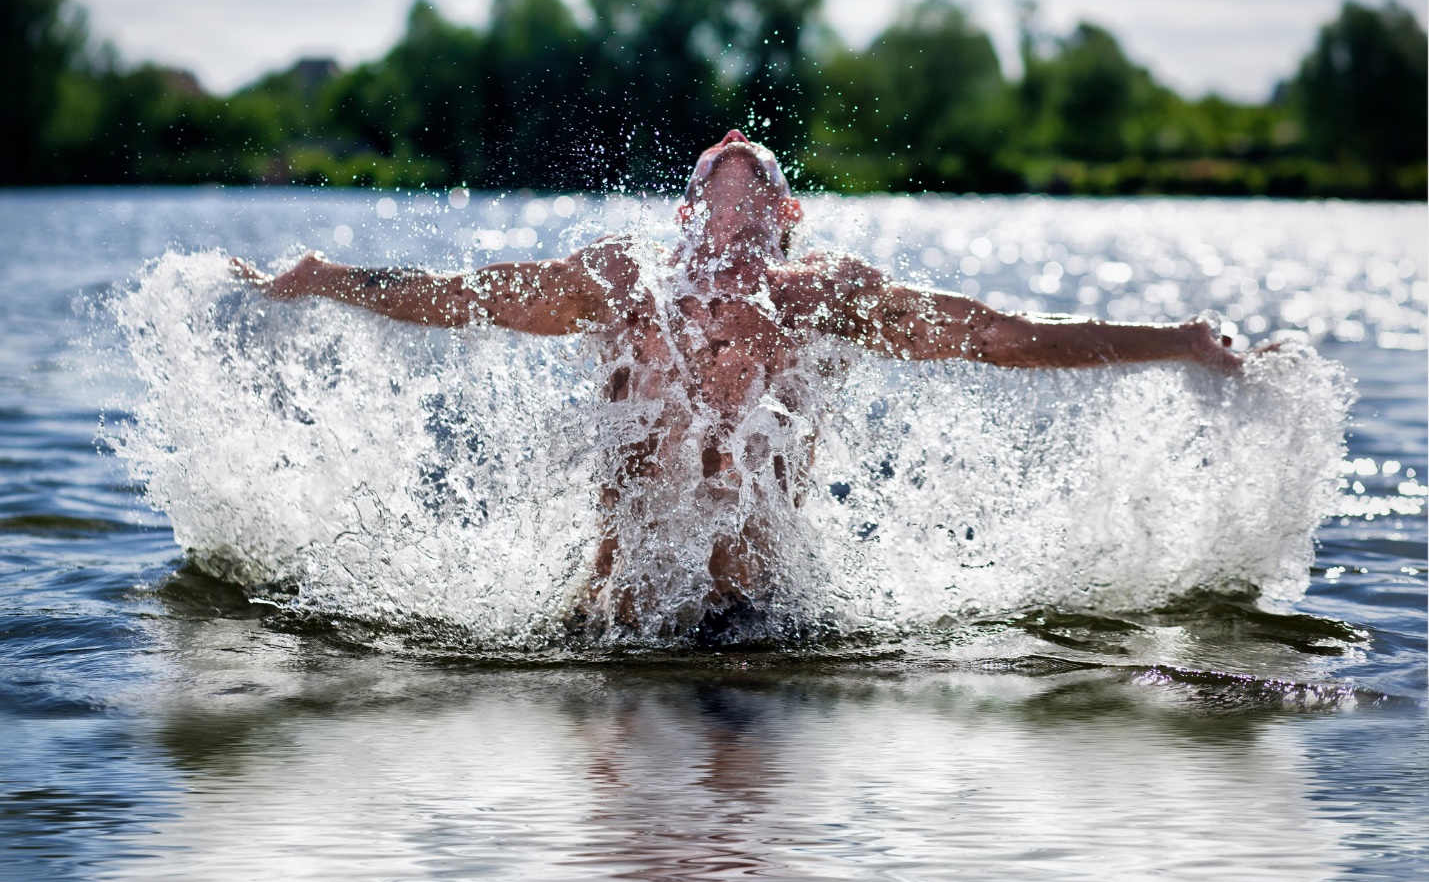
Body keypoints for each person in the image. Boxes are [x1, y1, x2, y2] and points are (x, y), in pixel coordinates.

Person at [232, 130, 1241, 633]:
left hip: (757, 624)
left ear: (787, 213)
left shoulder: (823, 298)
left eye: (756, 178)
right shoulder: (621, 284)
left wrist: (1178, 339)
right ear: (682, 213)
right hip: (609, 625)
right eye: (715, 177)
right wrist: (327, 279)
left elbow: (1003, 337)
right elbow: (466, 297)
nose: (734, 183)